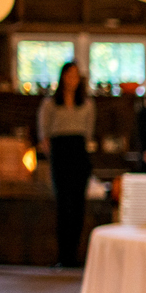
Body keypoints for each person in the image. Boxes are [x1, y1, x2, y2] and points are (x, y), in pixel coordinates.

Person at [37, 62, 96, 267]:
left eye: (76, 75)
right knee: (64, 205)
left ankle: (75, 254)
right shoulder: (50, 104)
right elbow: (44, 134)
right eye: (69, 75)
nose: (73, 79)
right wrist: (53, 154)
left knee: (78, 205)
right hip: (60, 153)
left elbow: (88, 134)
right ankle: (64, 255)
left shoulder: (87, 105)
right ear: (62, 77)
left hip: (79, 153)